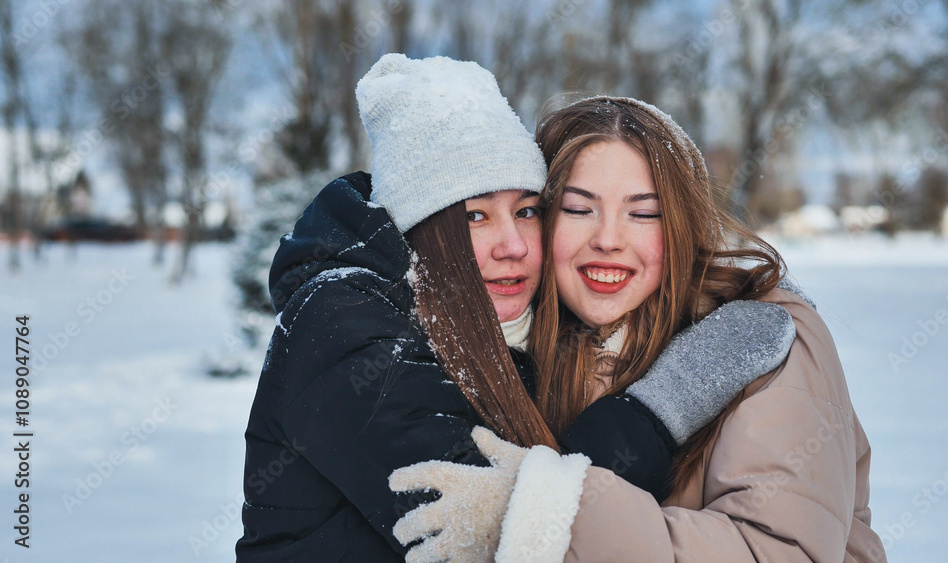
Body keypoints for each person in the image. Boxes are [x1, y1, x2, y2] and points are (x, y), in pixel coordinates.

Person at [237, 54, 793, 562]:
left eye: (527, 210)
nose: (515, 245)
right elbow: (495, 530)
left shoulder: (501, 326)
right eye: (475, 216)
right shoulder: (345, 326)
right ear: (419, 229)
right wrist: (667, 401)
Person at [389, 96, 887, 563]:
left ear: (681, 225)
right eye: (579, 209)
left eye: (643, 213)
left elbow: (779, 550)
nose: (608, 239)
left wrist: (541, 513)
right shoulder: (521, 340)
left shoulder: (769, 337)